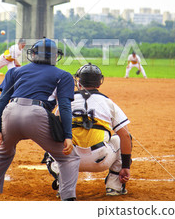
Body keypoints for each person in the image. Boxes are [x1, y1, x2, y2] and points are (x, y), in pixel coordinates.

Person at [0, 38, 80, 201]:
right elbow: (65, 108)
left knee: (2, 152)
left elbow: (3, 101)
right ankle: (68, 200)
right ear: (55, 56)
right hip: (36, 115)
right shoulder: (63, 75)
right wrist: (67, 136)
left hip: (10, 113)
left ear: (33, 54)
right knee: (68, 157)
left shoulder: (14, 72)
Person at [45, 63, 132, 196]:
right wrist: (126, 166)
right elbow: (125, 136)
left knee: (53, 139)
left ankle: (62, 180)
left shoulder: (67, 101)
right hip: (101, 160)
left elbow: (54, 130)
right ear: (99, 83)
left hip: (70, 159)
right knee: (122, 138)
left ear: (79, 82)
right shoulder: (108, 102)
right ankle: (114, 186)